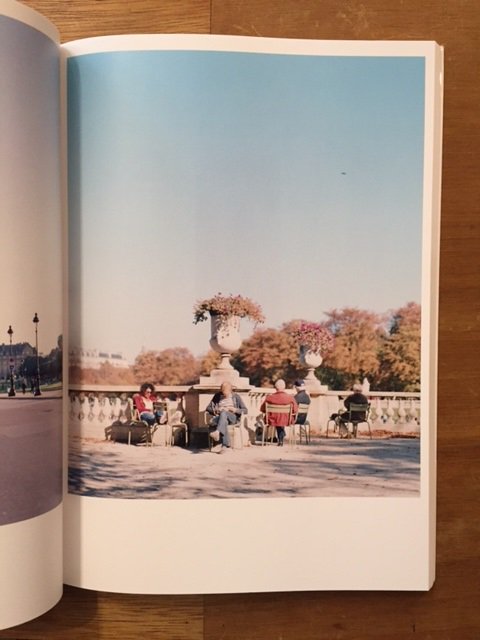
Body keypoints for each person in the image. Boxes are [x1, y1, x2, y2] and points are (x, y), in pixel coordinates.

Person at [206, 381, 248, 453]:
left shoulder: (236, 397)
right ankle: (225, 446)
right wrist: (216, 410)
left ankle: (218, 432)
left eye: (226, 393)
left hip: (233, 417)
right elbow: (208, 408)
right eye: (223, 392)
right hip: (221, 417)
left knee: (224, 413)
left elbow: (245, 410)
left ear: (230, 390)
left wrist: (234, 409)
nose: (224, 394)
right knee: (223, 419)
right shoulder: (217, 396)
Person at [260, 379, 298, 446]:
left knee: (278, 418)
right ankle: (281, 438)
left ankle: (280, 437)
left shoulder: (269, 398)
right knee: (281, 418)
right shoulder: (290, 398)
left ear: (275, 387)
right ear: (284, 387)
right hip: (286, 421)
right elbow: (295, 410)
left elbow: (262, 409)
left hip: (272, 420)